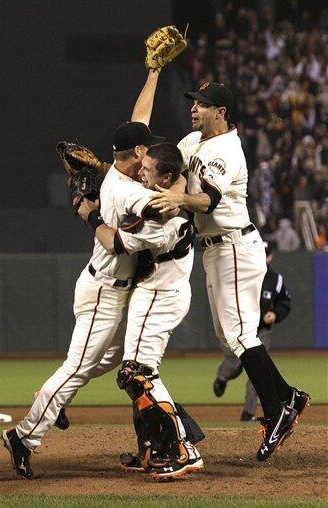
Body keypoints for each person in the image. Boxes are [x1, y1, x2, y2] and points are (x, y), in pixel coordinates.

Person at [139, 74, 309, 461]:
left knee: (238, 334)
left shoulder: (227, 150)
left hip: (233, 245)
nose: (193, 109)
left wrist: (177, 197)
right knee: (228, 334)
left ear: (221, 112)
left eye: (200, 104)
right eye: (192, 102)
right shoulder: (192, 142)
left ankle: (276, 410)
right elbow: (155, 156)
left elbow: (207, 201)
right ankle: (288, 397)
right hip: (216, 249)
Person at [2, 120, 167, 480]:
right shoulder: (126, 191)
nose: (152, 154)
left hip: (114, 290)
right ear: (138, 153)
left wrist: (99, 169)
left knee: (121, 357)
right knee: (76, 368)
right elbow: (153, 211)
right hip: (104, 292)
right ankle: (23, 437)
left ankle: (56, 396)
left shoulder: (114, 179)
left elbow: (122, 165)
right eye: (147, 149)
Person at [78, 142, 204, 481]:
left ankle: (183, 448)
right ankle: (153, 446)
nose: (140, 173)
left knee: (138, 373)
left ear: (165, 178)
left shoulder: (160, 219)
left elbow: (113, 241)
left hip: (160, 295)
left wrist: (89, 213)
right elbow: (176, 176)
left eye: (147, 170)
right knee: (137, 374)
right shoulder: (169, 194)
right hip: (159, 291)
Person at [213, 241, 293, 421]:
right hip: (239, 329)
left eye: (265, 254)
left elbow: (285, 303)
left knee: (258, 372)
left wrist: (275, 312)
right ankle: (222, 376)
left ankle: (248, 413)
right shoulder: (241, 273)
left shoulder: (275, 279)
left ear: (270, 257)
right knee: (234, 364)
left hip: (261, 332)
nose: (261, 256)